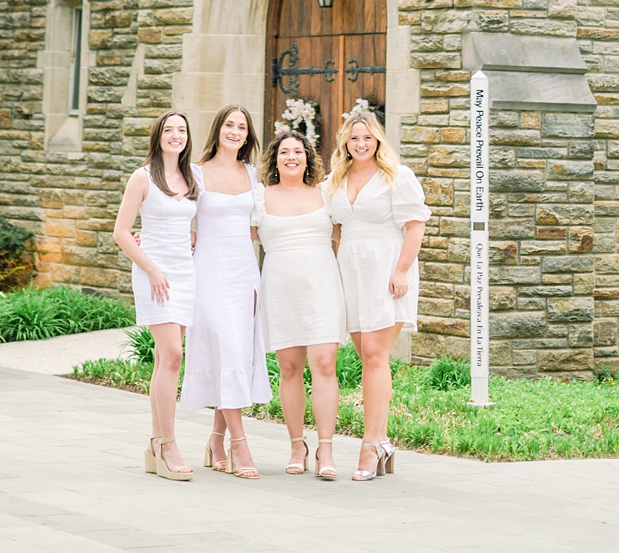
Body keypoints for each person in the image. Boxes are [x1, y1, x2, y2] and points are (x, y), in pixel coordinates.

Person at [326, 106, 431, 482]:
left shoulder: (396, 177)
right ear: (345, 143)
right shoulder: (335, 179)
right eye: (354, 138)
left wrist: (401, 270)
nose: (360, 144)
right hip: (350, 273)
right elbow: (327, 225)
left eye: (367, 137)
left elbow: (415, 226)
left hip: (387, 270)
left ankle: (370, 445)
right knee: (364, 355)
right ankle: (383, 441)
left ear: (378, 140)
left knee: (375, 354)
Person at [180, 105, 269, 477]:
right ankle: (240, 446)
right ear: (218, 130)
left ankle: (216, 439)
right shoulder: (195, 174)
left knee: (235, 353)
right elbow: (176, 220)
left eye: (242, 127)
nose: (235, 131)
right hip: (208, 272)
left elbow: (258, 228)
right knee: (228, 350)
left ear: (248, 136)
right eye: (229, 125)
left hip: (244, 271)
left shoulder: (251, 173)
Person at [253, 127, 344, 479]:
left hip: (321, 286)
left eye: (298, 151)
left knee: (324, 365)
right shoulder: (260, 197)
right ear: (275, 159)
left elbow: (343, 235)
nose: (292, 157)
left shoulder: (325, 193)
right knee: (289, 369)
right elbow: (232, 236)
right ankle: (296, 446)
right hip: (279, 290)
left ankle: (326, 448)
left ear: (308, 158)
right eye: (284, 152)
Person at [113, 110, 198, 480]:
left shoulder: (192, 176)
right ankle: (167, 445)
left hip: (185, 271)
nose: (175, 135)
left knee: (168, 359)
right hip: (154, 274)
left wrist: (192, 235)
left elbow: (188, 221)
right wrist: (152, 269)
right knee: (173, 355)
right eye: (169, 130)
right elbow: (121, 232)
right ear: (158, 135)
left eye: (181, 130)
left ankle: (154, 443)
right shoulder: (143, 176)